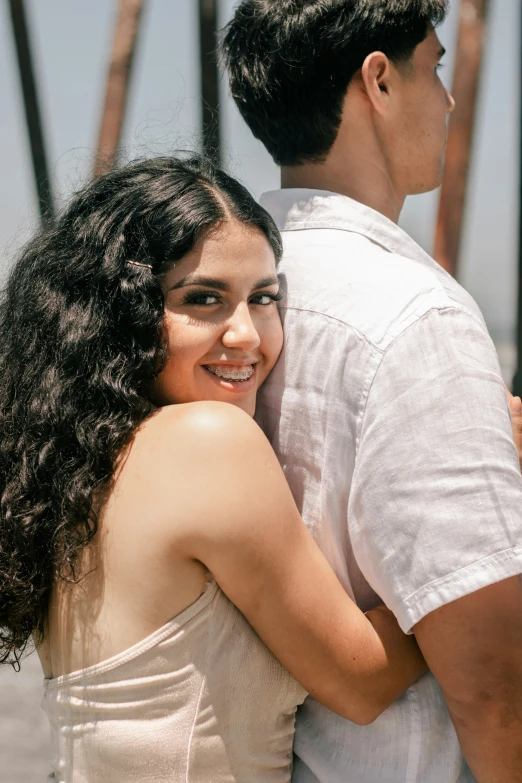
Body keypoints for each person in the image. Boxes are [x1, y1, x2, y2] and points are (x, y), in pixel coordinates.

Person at [0, 155, 436, 782]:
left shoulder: (69, 468)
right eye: (203, 299)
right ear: (121, 315)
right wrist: (466, 524)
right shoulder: (208, 442)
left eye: (263, 299)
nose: (247, 336)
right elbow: (362, 682)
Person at [222, 2, 522, 782]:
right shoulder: (416, 315)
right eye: (437, 66)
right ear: (380, 81)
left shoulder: (219, 296)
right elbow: (495, 685)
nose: (450, 100)